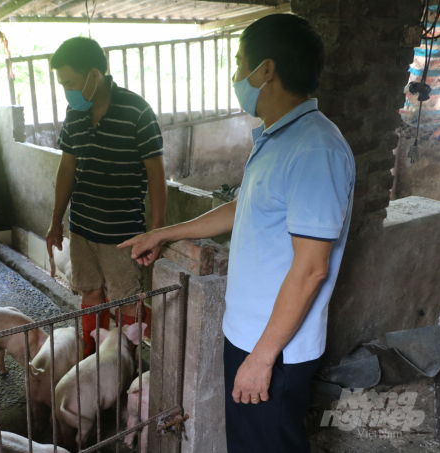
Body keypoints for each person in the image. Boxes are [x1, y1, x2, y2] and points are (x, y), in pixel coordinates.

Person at [119, 14, 355, 453]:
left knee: (270, 445)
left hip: (276, 349)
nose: (235, 76)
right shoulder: (277, 139)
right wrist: (165, 233)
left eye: (239, 63)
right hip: (252, 337)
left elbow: (311, 269)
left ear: (265, 70)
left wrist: (262, 359)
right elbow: (242, 207)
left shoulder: (315, 149)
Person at [47, 37, 167, 357]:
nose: (67, 91)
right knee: (90, 293)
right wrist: (55, 222)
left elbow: (156, 174)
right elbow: (67, 170)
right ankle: (93, 362)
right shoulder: (74, 114)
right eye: (63, 84)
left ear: (95, 75)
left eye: (70, 83)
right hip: (82, 228)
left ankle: (123, 369)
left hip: (122, 234)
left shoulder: (136, 111)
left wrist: (156, 232)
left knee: (127, 299)